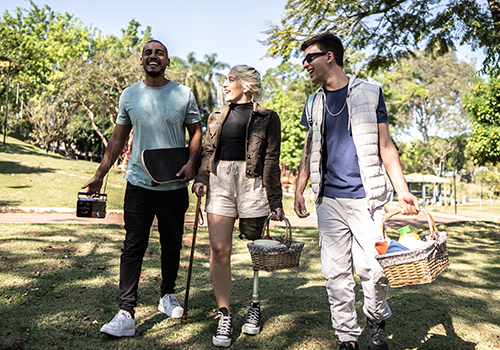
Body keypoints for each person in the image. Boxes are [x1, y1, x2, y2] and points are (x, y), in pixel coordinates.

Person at [293, 33, 420, 350]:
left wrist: (402, 190)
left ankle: (376, 321)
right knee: (335, 273)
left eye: (310, 57)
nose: (305, 64)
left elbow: (386, 146)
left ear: (329, 57)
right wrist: (299, 189)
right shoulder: (312, 102)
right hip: (329, 200)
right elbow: (309, 149)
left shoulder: (370, 92)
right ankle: (346, 337)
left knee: (373, 270)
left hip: (368, 198)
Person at [82, 40, 202, 337]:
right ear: (141, 61)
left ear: (167, 61)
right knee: (133, 246)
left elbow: (197, 131)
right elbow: (117, 139)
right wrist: (100, 174)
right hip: (138, 184)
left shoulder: (183, 94)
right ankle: (126, 313)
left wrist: (191, 163)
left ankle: (167, 295)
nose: (153, 57)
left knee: (172, 244)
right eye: (148, 53)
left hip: (173, 184)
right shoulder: (129, 95)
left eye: (158, 53)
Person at [193, 65, 284, 347]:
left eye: (231, 80)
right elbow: (208, 151)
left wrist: (276, 201)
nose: (225, 84)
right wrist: (201, 178)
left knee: (257, 247)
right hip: (220, 181)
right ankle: (224, 314)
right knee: (219, 249)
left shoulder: (267, 117)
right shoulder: (217, 115)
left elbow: (271, 159)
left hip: (252, 184)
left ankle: (254, 304)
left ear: (246, 85)